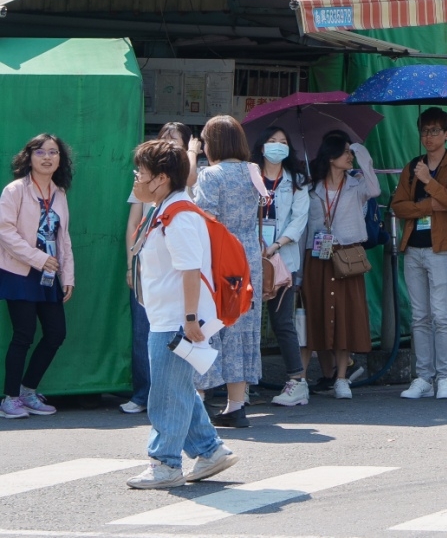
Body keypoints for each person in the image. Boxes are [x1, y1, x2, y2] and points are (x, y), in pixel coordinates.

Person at [127, 137, 236, 490]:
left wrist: (189, 320)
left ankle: (165, 464)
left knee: (165, 395)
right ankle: (210, 450)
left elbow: (190, 269)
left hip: (176, 321)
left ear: (161, 178)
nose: (136, 179)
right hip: (167, 317)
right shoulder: (165, 209)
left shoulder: (179, 215)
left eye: (140, 172)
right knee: (177, 389)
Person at [389, 108, 447, 402]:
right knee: (419, 316)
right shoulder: (413, 166)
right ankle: (423, 377)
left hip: (442, 248)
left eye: (435, 131)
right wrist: (429, 206)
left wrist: (429, 182)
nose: (428, 136)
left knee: (441, 315)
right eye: (424, 131)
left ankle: (445, 377)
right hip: (413, 248)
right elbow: (399, 206)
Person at [191, 117, 262, 428]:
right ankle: (236, 405)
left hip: (219, 256)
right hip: (249, 255)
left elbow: (206, 219)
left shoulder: (210, 175)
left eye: (206, 141)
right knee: (241, 325)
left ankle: (199, 399)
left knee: (209, 324)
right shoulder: (253, 171)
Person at [1, 134, 73, 419]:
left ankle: (28, 391)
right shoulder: (15, 190)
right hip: (19, 271)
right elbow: (5, 232)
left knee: (56, 333)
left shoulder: (59, 193)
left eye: (53, 152)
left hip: (49, 275)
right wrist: (39, 259)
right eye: (40, 152)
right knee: (24, 334)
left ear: (60, 159)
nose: (47, 157)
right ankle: (10, 399)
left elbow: (63, 238)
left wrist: (68, 275)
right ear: (28, 157)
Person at [302, 130, 375, 400]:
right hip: (317, 257)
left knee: (345, 317)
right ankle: (311, 377)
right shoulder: (312, 188)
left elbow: (375, 189)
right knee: (315, 316)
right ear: (331, 157)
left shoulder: (356, 185)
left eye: (349, 152)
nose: (349, 156)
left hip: (347, 257)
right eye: (344, 152)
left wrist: (360, 152)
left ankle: (342, 378)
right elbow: (304, 229)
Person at [251, 128, 310, 408]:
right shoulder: (250, 175)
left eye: (283, 142)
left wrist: (275, 246)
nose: (278, 146)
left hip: (283, 259)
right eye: (272, 141)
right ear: (262, 147)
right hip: (250, 256)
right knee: (246, 322)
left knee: (282, 321)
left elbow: (299, 221)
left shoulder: (297, 181)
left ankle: (297, 382)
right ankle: (244, 384)